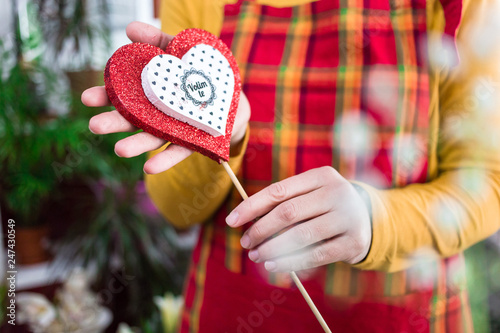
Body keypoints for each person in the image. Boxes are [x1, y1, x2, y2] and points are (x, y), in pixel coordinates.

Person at [82, 0, 500, 331]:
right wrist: (223, 136)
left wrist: (380, 223)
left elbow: (489, 181)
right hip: (236, 307)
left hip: (402, 315)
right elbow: (177, 210)